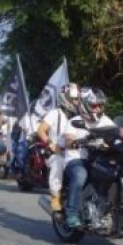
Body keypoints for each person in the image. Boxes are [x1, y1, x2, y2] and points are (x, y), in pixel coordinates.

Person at [61, 87, 115, 228]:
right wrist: (77, 142)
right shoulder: (75, 121)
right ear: (85, 106)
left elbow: (117, 134)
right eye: (93, 106)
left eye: (99, 105)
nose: (97, 109)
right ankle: (72, 213)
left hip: (99, 159)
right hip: (77, 159)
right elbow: (68, 140)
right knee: (80, 175)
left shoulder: (106, 121)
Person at [36, 82, 80, 212]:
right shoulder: (55, 113)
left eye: (77, 98)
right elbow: (41, 130)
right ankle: (55, 195)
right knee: (58, 163)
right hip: (57, 152)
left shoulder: (80, 115)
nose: (76, 101)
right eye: (73, 99)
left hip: (74, 153)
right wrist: (50, 143)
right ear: (64, 98)